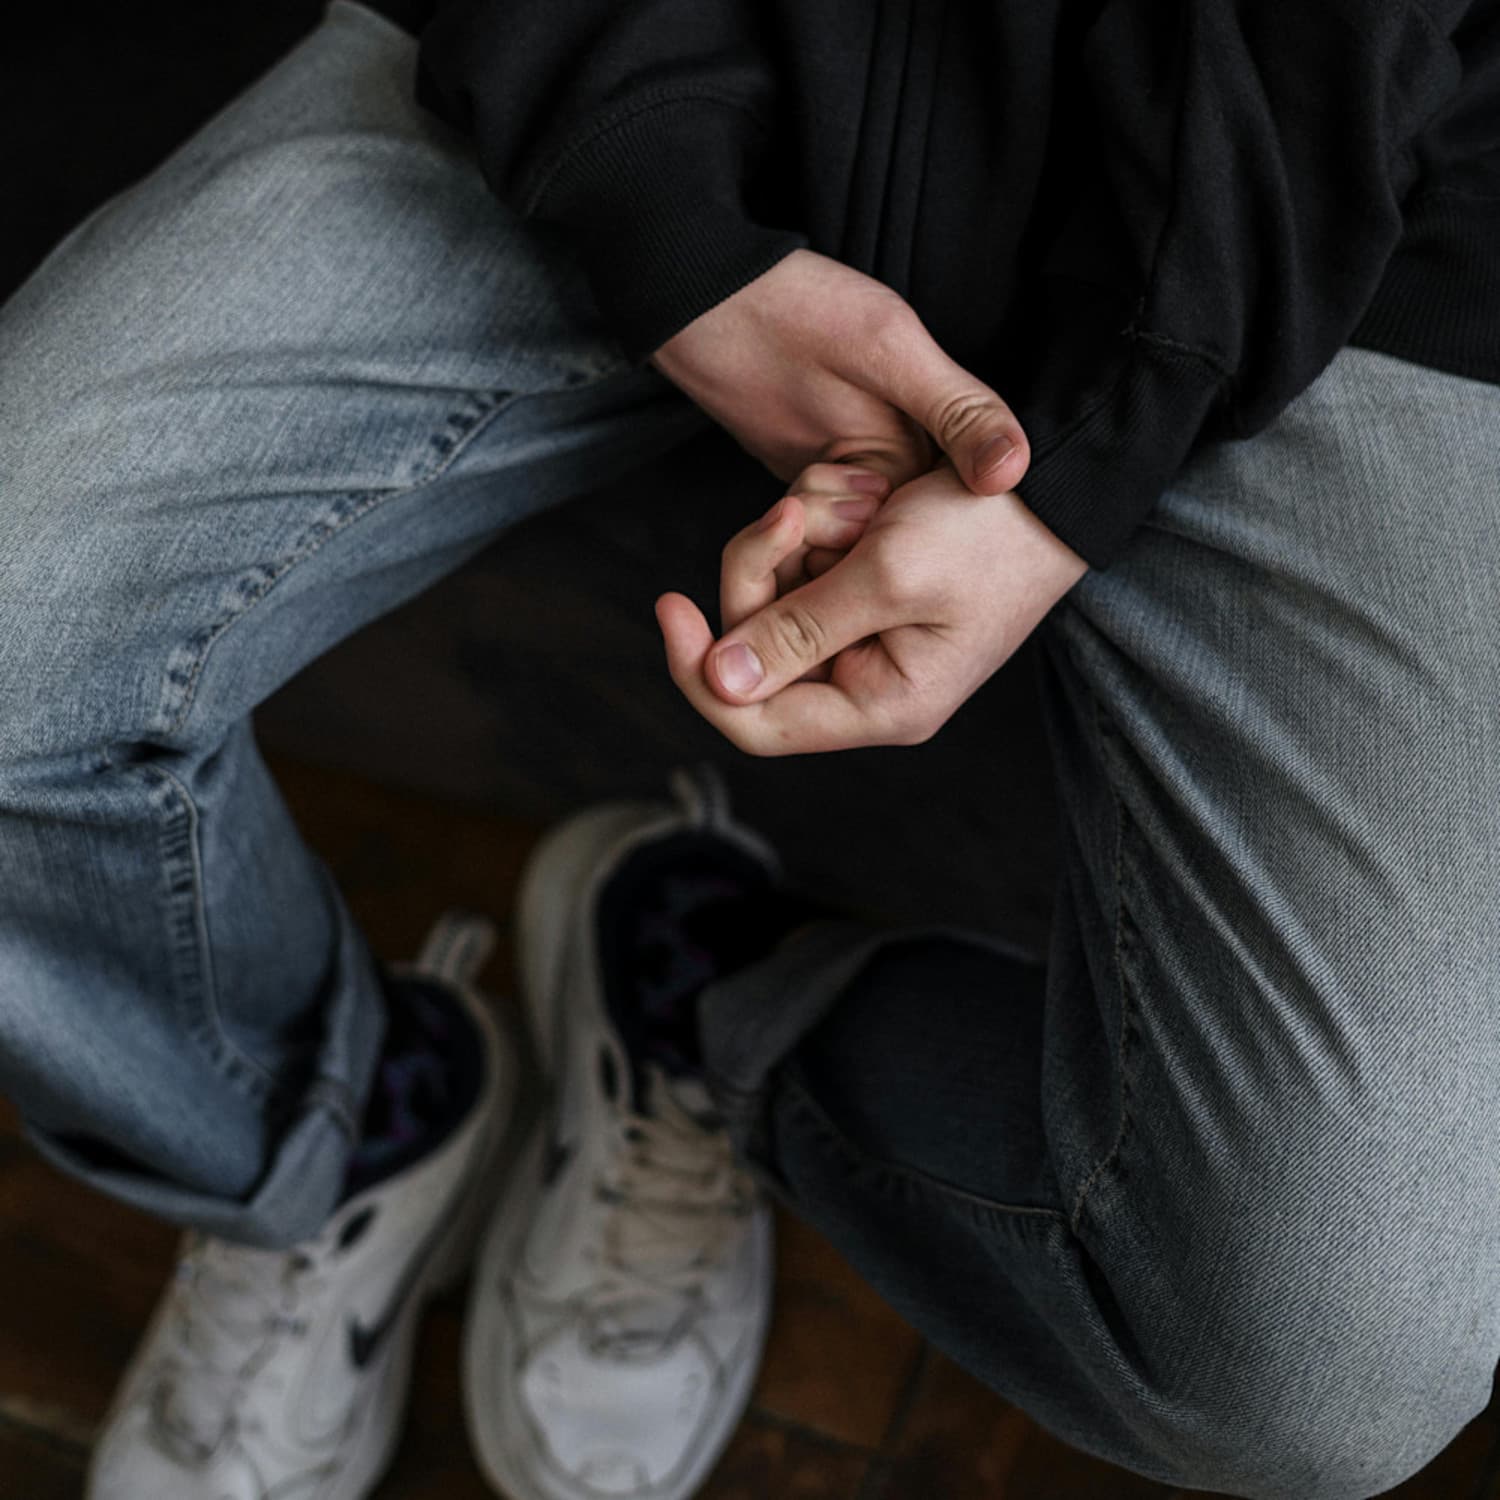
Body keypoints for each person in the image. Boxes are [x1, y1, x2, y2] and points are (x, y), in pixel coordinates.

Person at [1, 1, 1498, 1497]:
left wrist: (1094, 436)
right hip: (626, 30)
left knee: (1325, 1364)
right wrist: (647, 176)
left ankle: (686, 987)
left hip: (1360, 207)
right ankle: (343, 1141)